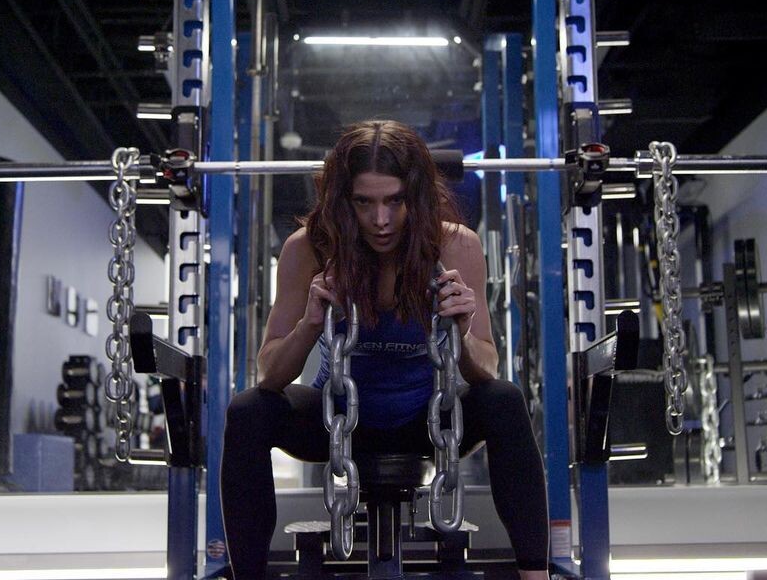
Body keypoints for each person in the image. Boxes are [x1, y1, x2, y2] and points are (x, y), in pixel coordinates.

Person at [220, 120, 549, 579]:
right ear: (342, 200)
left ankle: (536, 575)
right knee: (248, 411)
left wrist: (461, 330)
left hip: (428, 421)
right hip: (337, 423)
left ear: (416, 196)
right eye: (364, 202)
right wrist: (310, 323)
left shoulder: (457, 246)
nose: (380, 220)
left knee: (505, 399)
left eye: (395, 201)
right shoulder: (307, 249)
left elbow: (487, 368)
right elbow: (270, 375)